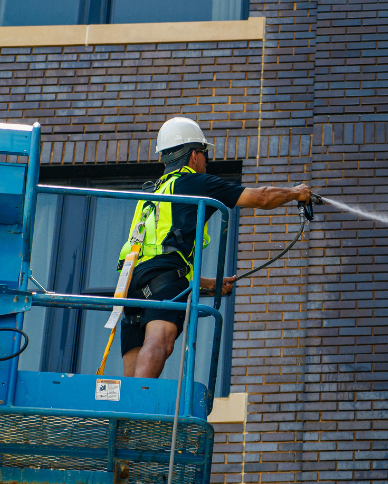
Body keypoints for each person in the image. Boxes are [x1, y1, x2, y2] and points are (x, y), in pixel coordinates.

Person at [118, 117, 310, 378]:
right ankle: (139, 405)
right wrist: (296, 192)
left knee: (133, 361)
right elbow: (262, 197)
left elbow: (157, 250)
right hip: (163, 278)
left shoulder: (154, 193)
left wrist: (205, 283)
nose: (206, 162)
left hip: (131, 283)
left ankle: (124, 414)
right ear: (194, 155)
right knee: (160, 341)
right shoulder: (197, 183)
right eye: (205, 155)